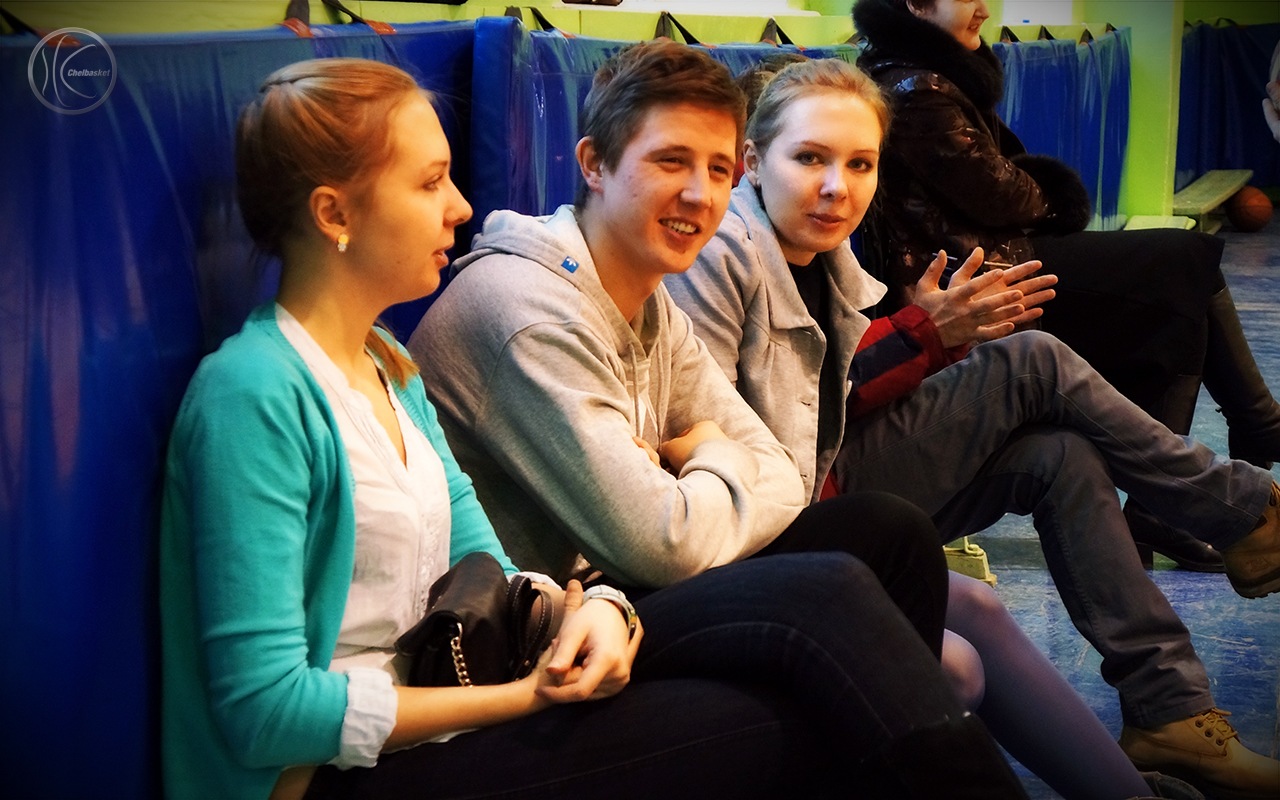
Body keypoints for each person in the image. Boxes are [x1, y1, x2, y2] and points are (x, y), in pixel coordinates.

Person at [159, 57, 1030, 800]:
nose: (459, 206)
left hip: (475, 683)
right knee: (789, 693)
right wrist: (526, 696)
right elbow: (265, 712)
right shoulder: (254, 394)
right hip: (342, 772)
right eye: (428, 183)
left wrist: (604, 611)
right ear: (334, 214)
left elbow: (492, 572)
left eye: (718, 168)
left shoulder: (386, 363)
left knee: (876, 546)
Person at [410, 39, 1042, 798]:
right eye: (670, 161)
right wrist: (712, 454)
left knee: (890, 532)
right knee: (826, 597)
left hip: (612, 588)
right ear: (594, 164)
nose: (699, 194)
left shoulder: (648, 295)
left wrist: (699, 461)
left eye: (717, 170)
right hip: (539, 626)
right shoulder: (530, 312)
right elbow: (660, 543)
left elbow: (782, 474)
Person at [665, 53, 1280, 800]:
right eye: (810, 158)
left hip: (825, 478)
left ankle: (1171, 708)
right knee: (1033, 362)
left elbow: (820, 382)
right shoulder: (725, 251)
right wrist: (925, 336)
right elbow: (761, 425)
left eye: (860, 164)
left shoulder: (816, 252)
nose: (836, 185)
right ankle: (1245, 512)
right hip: (786, 511)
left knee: (1061, 455)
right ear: (753, 161)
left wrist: (924, 331)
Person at [853, 0, 1280, 572]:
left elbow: (1000, 184)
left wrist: (1033, 190)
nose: (983, 7)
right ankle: (1246, 436)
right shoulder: (916, 89)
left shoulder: (922, 73)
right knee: (1180, 266)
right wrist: (1054, 194)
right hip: (971, 274)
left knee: (1182, 270)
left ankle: (1229, 450)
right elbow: (1004, 192)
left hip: (993, 253)